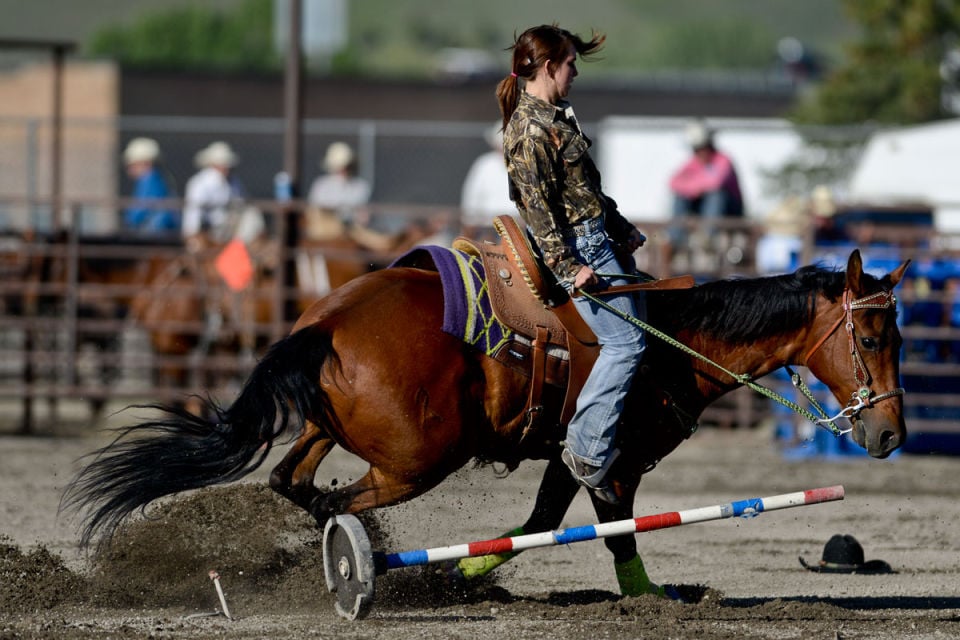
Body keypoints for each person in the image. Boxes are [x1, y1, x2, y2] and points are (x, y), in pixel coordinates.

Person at [497, 24, 647, 504]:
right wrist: (568, 266)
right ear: (548, 68)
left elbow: (584, 191)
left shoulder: (558, 117)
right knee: (626, 344)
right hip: (581, 251)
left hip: (600, 239)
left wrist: (620, 225)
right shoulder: (528, 131)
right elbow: (538, 212)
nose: (575, 71)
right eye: (569, 64)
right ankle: (584, 448)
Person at [182, 141, 254, 250]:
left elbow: (242, 202)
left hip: (228, 226)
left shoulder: (233, 181)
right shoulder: (200, 183)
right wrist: (192, 234)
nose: (226, 167)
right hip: (210, 228)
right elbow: (193, 211)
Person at [669, 120, 744, 219]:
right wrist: (694, 189)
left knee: (716, 195)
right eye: (696, 149)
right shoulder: (693, 163)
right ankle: (675, 232)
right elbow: (673, 182)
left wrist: (694, 186)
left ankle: (708, 233)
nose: (700, 152)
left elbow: (716, 182)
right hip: (701, 207)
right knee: (680, 196)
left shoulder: (723, 160)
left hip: (730, 209)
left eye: (702, 147)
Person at [459, 122, 513, 240]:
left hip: (518, 227)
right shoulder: (485, 164)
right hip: (487, 226)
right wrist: (469, 221)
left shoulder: (526, 166)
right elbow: (472, 196)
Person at [306, 141, 371, 233]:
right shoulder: (321, 185)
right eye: (340, 166)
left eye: (346, 166)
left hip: (352, 232)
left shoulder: (361, 187)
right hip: (325, 232)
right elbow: (313, 212)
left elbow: (363, 215)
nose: (343, 169)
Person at [121, 137, 179, 235]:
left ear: (145, 163)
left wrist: (129, 220)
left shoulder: (149, 180)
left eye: (133, 165)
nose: (130, 169)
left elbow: (139, 211)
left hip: (154, 231)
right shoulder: (157, 178)